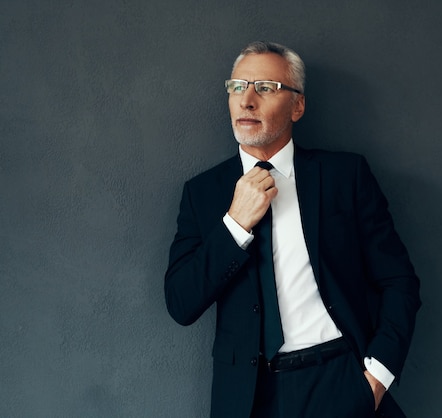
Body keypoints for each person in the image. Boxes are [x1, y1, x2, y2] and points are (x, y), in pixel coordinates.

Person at [164, 41, 421, 418]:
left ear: (297, 105)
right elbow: (181, 303)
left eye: (265, 87)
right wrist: (234, 224)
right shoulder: (202, 194)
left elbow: (399, 281)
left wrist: (376, 377)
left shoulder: (344, 176)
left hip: (342, 381)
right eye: (237, 87)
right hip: (250, 399)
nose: (247, 100)